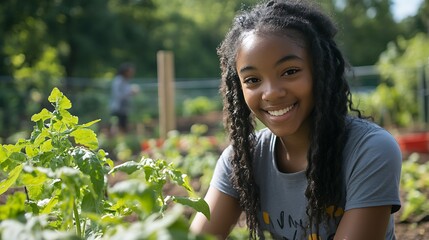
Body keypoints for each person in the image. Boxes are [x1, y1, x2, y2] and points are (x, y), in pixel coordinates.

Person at [190, 0, 402, 239]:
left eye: (289, 72)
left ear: (320, 70)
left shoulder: (369, 150)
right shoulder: (242, 159)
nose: (270, 92)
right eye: (252, 80)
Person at [109, 62, 140, 134]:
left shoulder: (125, 81)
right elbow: (117, 95)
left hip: (124, 108)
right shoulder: (119, 81)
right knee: (118, 126)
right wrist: (130, 92)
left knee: (124, 126)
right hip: (118, 108)